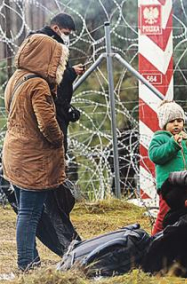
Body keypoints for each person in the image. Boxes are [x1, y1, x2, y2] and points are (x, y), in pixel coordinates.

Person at [2, 34, 68, 270]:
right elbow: (47, 124)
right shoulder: (38, 84)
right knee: (29, 214)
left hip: (15, 153)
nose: (60, 65)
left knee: (26, 212)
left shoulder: (17, 77)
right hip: (32, 158)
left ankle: (31, 260)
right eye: (57, 60)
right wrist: (59, 139)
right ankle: (26, 264)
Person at [149, 100, 187, 235]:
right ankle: (152, 241)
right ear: (164, 124)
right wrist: (173, 144)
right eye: (172, 121)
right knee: (165, 215)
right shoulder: (160, 139)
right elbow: (155, 156)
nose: (176, 124)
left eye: (179, 120)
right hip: (169, 188)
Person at [31, 12, 84, 153]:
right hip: (50, 107)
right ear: (56, 28)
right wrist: (72, 72)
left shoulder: (54, 44)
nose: (68, 37)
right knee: (55, 154)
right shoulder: (46, 44)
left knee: (57, 155)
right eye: (66, 33)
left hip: (58, 106)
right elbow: (49, 75)